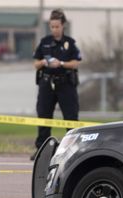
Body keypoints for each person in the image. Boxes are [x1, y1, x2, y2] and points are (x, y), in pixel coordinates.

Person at [32, 8, 81, 159]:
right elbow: (36, 63)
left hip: (65, 84)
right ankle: (42, 150)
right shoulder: (44, 42)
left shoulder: (70, 43)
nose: (54, 29)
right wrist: (45, 62)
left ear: (63, 25)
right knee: (44, 115)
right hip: (47, 84)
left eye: (57, 26)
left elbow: (75, 63)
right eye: (52, 26)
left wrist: (61, 63)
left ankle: (72, 150)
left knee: (70, 117)